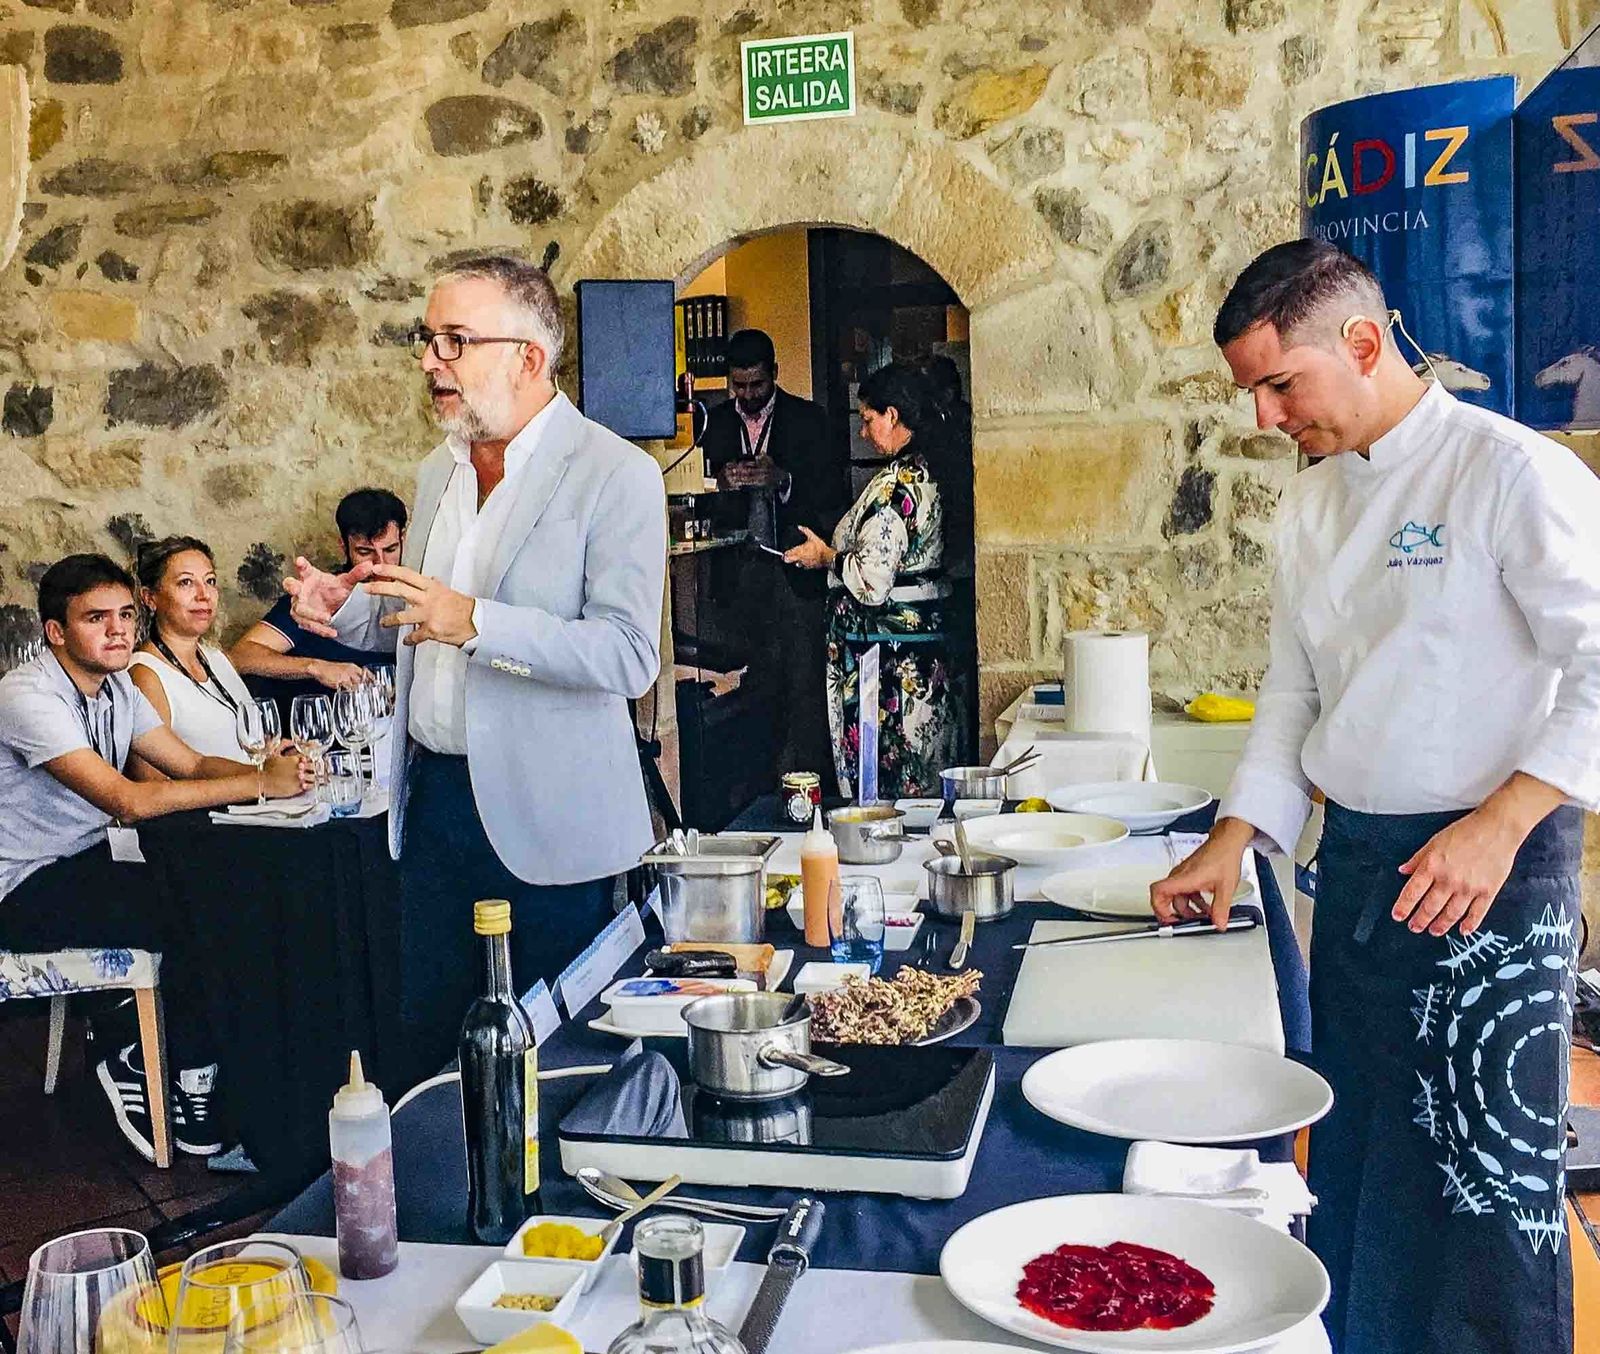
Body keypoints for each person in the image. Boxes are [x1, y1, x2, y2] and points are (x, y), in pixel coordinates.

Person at [1151, 240, 1600, 1354]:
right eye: (1250, 390)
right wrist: (1234, 834)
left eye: (1277, 383)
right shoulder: (1308, 510)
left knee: (1483, 1181)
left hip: (1491, 873)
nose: (1261, 417)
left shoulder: (1510, 472)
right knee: (1356, 1156)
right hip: (1355, 866)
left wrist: (1499, 825)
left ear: (1361, 342)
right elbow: (1292, 692)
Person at [284, 255, 667, 1088]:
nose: (430, 361)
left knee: (552, 1061)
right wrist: (341, 609)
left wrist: (479, 623)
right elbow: (414, 623)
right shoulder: (438, 472)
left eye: (455, 341)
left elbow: (628, 656)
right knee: (432, 1043)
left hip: (549, 818)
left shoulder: (617, 474)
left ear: (527, 356)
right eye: (429, 340)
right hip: (433, 805)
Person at [0, 554, 308, 1161]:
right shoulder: (24, 696)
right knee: (198, 906)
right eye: (96, 618)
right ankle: (133, 1051)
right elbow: (129, 799)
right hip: (19, 886)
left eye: (123, 615)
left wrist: (272, 770)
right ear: (56, 632)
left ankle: (201, 1062)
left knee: (226, 884)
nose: (118, 630)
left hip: (85, 861)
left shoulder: (116, 684)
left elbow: (188, 764)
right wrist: (258, 785)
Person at [784, 361, 964, 799]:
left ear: (893, 415)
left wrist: (825, 556)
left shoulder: (897, 487)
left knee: (895, 775)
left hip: (892, 664)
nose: (863, 432)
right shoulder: (928, 471)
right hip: (921, 652)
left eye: (868, 420)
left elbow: (871, 580)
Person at [700, 329, 847, 788]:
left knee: (802, 681)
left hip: (795, 569)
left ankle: (801, 784)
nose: (747, 396)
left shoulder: (810, 420)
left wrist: (783, 480)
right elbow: (697, 504)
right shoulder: (713, 424)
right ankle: (751, 786)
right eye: (738, 386)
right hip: (736, 571)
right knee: (747, 684)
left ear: (775, 376)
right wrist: (717, 485)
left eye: (757, 386)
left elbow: (832, 493)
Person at [229, 488, 407, 707]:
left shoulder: (414, 599)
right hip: (312, 731)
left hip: (385, 734)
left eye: (391, 549)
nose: (380, 564)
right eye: (364, 552)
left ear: (404, 539)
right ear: (343, 546)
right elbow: (239, 655)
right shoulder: (316, 597)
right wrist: (315, 667)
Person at [126, 537, 255, 770]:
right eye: (186, 582)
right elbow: (152, 783)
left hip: (259, 799)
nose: (204, 594)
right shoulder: (146, 675)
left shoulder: (215, 659)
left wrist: (276, 751)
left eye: (210, 581)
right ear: (150, 598)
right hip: (215, 805)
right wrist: (258, 779)